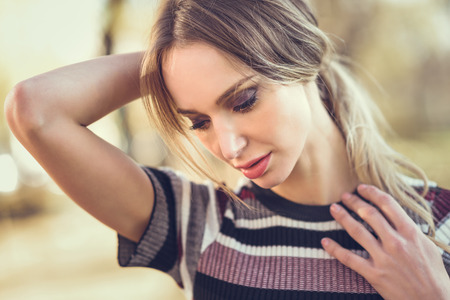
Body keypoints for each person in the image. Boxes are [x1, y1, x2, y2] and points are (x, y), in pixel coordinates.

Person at [4, 0, 450, 299]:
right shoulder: (199, 224)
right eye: (199, 121)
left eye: (243, 100)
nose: (228, 145)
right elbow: (34, 110)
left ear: (302, 57)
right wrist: (170, 62)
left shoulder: (439, 221)